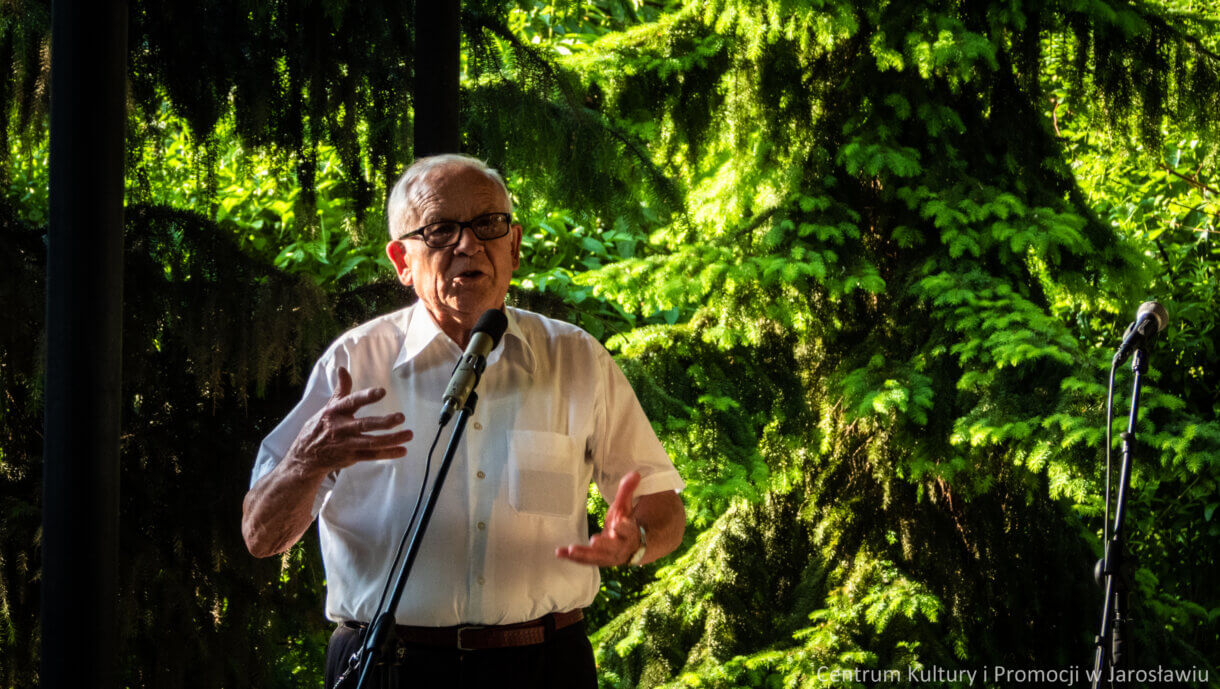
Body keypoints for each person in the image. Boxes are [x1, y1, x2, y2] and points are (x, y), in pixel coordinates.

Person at [241, 154, 686, 688]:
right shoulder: (353, 365)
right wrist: (304, 463)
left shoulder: (576, 359)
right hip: (389, 668)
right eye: (440, 229)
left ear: (514, 245)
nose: (468, 245)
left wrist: (634, 539)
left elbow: (664, 510)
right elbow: (261, 537)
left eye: (487, 225)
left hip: (543, 666)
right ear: (401, 261)